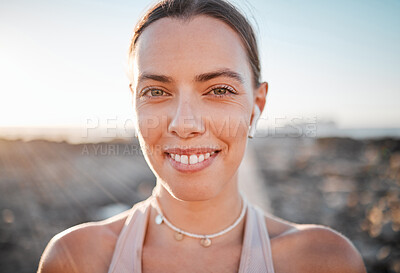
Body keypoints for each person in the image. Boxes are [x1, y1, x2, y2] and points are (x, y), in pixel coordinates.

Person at [38, 0, 367, 272]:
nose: (184, 124)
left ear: (256, 106)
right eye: (156, 91)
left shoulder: (324, 261)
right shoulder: (75, 259)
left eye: (219, 90)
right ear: (134, 103)